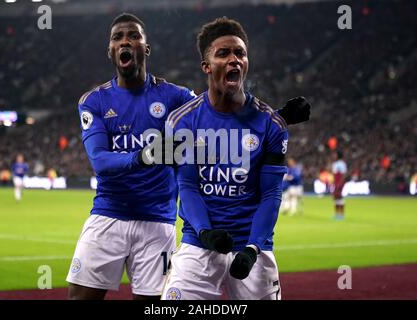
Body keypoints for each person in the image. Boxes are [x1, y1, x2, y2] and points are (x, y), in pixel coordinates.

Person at [67, 13, 310, 300]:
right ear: (109, 50)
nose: (125, 42)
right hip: (109, 213)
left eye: (133, 36)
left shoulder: (176, 97)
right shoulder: (94, 101)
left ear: (146, 48)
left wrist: (276, 119)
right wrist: (143, 156)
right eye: (117, 37)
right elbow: (100, 162)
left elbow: (218, 113)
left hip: (158, 221)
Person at [161, 17, 310, 300]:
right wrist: (206, 233)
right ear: (206, 66)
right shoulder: (182, 121)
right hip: (198, 245)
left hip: (252, 249)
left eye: (240, 53)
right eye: (223, 54)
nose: (234, 60)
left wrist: (253, 248)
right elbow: (188, 186)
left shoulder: (271, 124)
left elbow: (270, 194)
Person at [331, 151, 347, 220]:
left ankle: (342, 215)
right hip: (336, 182)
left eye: (335, 154)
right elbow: (334, 175)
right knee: (336, 197)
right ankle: (337, 214)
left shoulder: (341, 164)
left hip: (339, 182)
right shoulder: (335, 164)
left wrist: (340, 183)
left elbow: (343, 174)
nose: (334, 156)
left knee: (339, 197)